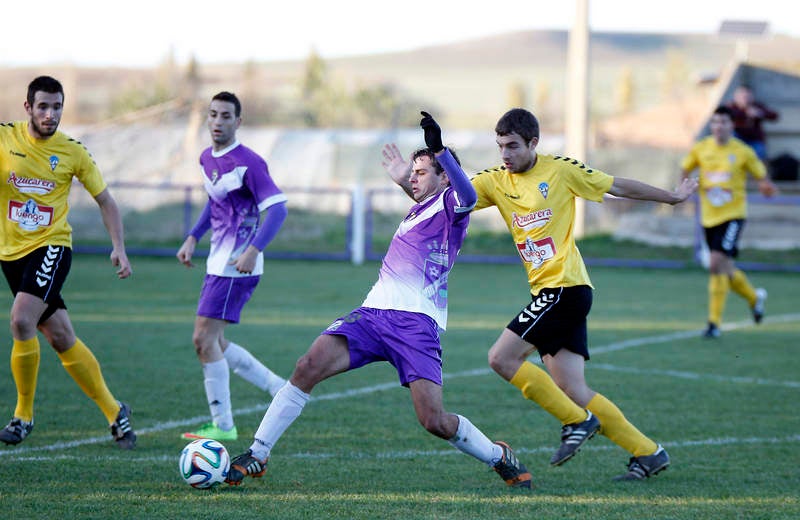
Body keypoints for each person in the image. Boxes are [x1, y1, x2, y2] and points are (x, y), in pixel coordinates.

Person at [224, 111, 532, 489]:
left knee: (434, 420)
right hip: (372, 316)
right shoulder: (420, 207)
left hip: (415, 325)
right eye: (413, 173)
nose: (413, 178)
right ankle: (258, 453)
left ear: (444, 178)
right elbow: (421, 191)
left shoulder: (453, 207)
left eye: (421, 173)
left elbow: (467, 194)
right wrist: (409, 177)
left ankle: (498, 456)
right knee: (307, 366)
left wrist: (439, 150)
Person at [470, 108, 698, 480]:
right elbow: (449, 197)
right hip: (552, 294)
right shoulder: (494, 180)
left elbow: (618, 186)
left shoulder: (560, 170)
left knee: (501, 358)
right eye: (500, 147)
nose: (505, 154)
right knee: (573, 388)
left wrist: (671, 198)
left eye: (512, 146)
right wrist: (410, 179)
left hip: (566, 289)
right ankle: (648, 453)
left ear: (533, 143)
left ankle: (576, 421)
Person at [0, 75, 136, 448]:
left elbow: (106, 201)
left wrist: (119, 247)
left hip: (52, 247)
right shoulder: (5, 138)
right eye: (43, 106)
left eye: (57, 107)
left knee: (21, 319)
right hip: (11, 254)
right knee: (60, 337)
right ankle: (115, 412)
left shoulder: (72, 152)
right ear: (28, 107)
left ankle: (22, 417)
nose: (50, 114)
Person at [177, 92, 288, 442]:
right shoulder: (206, 158)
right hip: (217, 263)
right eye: (213, 114)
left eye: (226, 116)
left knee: (202, 339)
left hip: (236, 267)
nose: (218, 121)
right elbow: (215, 203)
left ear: (238, 122)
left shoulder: (249, 163)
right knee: (216, 341)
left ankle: (223, 425)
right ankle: (278, 387)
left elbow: (278, 210)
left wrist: (253, 250)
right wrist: (193, 237)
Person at [681, 105, 778, 339]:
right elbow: (685, 168)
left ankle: (713, 323)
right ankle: (754, 298)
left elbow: (761, 177)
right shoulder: (701, 148)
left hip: (733, 215)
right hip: (709, 216)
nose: (718, 126)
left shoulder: (742, 151)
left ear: (732, 125)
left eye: (723, 122)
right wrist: (682, 190)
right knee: (724, 268)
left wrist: (766, 186)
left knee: (715, 263)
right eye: (715, 122)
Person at [726, 85, 779, 161]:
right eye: (742, 96)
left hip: (754, 140)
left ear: (752, 96)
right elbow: (726, 114)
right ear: (736, 97)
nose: (745, 99)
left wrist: (760, 113)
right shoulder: (731, 107)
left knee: (760, 151)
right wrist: (745, 113)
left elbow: (774, 116)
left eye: (747, 96)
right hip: (738, 139)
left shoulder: (757, 106)